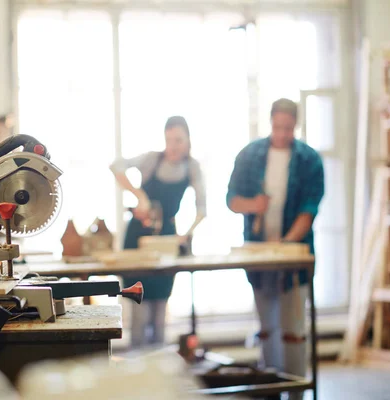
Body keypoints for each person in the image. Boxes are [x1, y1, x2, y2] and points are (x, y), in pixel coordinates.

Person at [226, 98, 324, 400]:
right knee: (266, 325)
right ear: (270, 123)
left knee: (293, 327)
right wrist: (253, 205)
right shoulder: (250, 155)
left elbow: (309, 209)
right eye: (277, 127)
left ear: (296, 125)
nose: (282, 133)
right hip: (258, 256)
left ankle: (295, 391)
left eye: (288, 128)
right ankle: (271, 388)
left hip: (293, 258)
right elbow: (231, 199)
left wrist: (286, 243)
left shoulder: (309, 160)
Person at [110, 116, 207, 348]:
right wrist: (140, 196)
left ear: (188, 140)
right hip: (138, 238)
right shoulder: (152, 160)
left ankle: (158, 369)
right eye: (169, 140)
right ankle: (138, 370)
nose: (173, 146)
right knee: (139, 308)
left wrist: (187, 233)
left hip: (166, 240)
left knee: (160, 307)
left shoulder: (192, 167)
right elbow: (115, 166)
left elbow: (202, 209)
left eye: (178, 140)